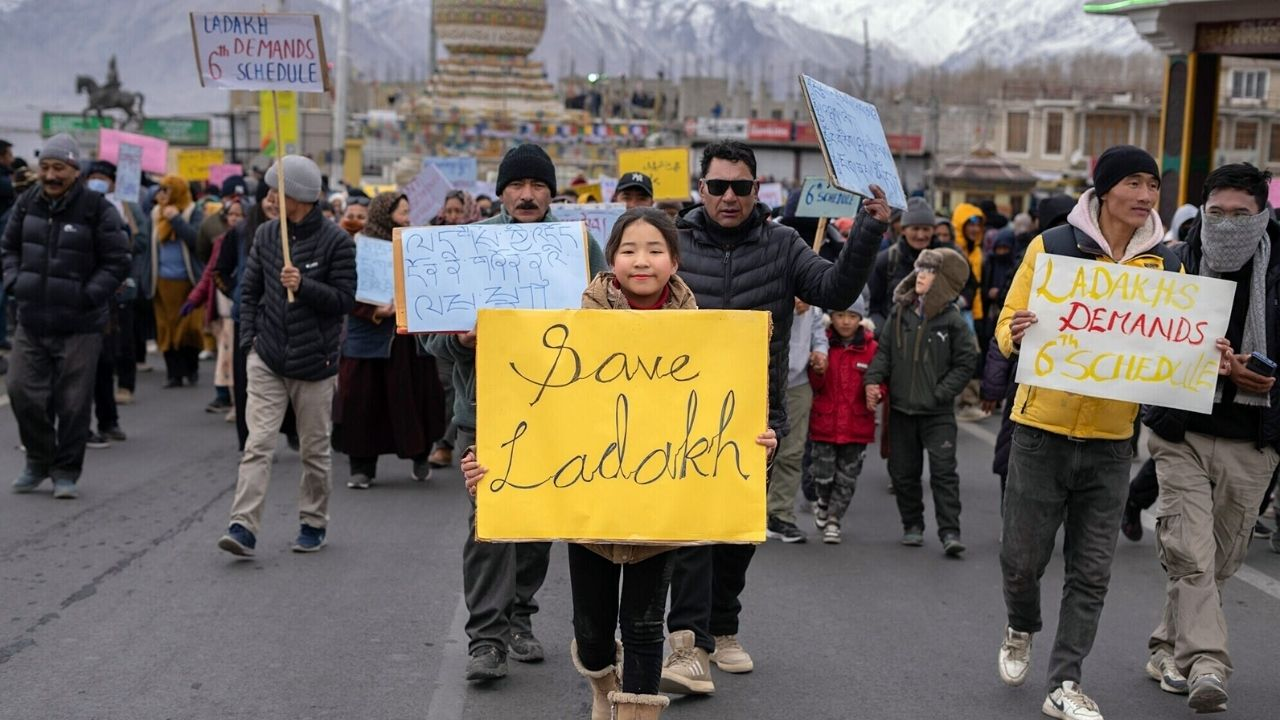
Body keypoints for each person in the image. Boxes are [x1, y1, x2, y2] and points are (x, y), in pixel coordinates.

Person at [461, 207, 777, 719]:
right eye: (629, 250)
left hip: (661, 515)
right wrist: (490, 461)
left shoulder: (708, 336)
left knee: (644, 627)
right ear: (611, 261)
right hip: (590, 518)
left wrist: (756, 442)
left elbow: (726, 417)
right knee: (591, 635)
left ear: (674, 261)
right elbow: (531, 408)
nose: (642, 261)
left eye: (655, 250)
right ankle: (603, 683)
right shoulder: (569, 327)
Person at [659, 140, 889, 696]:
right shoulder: (673, 242)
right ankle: (687, 645)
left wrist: (867, 229)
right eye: (718, 186)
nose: (729, 197)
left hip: (755, 418)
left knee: (738, 533)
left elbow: (835, 288)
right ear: (700, 189)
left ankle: (723, 628)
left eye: (740, 187)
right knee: (693, 531)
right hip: (681, 417)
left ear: (756, 189)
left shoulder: (783, 244)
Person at [994, 145, 1182, 720]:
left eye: (1153, 185)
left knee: (1092, 572)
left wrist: (1205, 354)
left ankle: (1065, 683)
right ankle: (1021, 625)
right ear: (1104, 189)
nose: (1146, 195)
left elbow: (1176, 344)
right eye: (1133, 183)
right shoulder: (1052, 247)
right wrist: (1016, 333)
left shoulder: (1167, 266)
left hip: (1112, 442)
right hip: (1039, 432)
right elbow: (1005, 323)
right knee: (1021, 562)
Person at [423, 143, 608, 683]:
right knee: (490, 524)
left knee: (535, 523)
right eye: (517, 186)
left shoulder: (579, 246)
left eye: (538, 186)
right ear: (501, 191)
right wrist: (460, 340)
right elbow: (431, 338)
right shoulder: (470, 244)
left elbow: (609, 321)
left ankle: (520, 616)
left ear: (552, 192)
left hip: (555, 411)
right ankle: (486, 639)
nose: (527, 195)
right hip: (484, 412)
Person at [1140, 163, 1280, 714]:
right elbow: (1139, 339)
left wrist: (1262, 375)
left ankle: (1167, 647)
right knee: (1190, 553)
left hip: (1255, 439)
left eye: (1240, 214)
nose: (1226, 223)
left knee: (1218, 561)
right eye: (1216, 212)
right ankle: (1207, 665)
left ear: (1263, 213)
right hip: (1183, 433)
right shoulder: (1172, 262)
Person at [216, 155, 355, 557]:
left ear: (298, 194)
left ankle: (313, 521)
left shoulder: (337, 241)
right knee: (258, 444)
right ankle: (242, 526)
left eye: (277, 190)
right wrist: (251, 344)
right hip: (268, 357)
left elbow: (344, 300)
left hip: (315, 364)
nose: (270, 198)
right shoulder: (265, 235)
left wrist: (304, 284)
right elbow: (249, 292)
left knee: (314, 450)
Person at [4, 134, 130, 498]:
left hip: (80, 325)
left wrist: (86, 296)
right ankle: (39, 460)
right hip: (31, 319)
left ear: (75, 171)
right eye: (44, 167)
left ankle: (66, 471)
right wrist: (15, 281)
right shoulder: (27, 203)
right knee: (21, 391)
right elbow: (8, 247)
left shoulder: (96, 208)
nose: (50, 175)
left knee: (73, 403)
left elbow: (117, 260)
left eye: (58, 168)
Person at [864, 247, 977, 553]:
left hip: (937, 414)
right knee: (903, 473)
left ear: (943, 280)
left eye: (929, 272)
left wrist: (941, 393)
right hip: (901, 410)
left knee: (943, 473)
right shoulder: (900, 313)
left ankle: (950, 532)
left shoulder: (952, 320)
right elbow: (884, 352)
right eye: (920, 270)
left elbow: (967, 361)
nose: (921, 276)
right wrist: (873, 380)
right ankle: (912, 525)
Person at [332, 192, 446, 488]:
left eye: (408, 211)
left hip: (407, 341)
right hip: (368, 341)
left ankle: (420, 455)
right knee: (362, 402)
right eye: (401, 212)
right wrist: (373, 310)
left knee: (414, 400)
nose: (407, 218)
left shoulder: (415, 244)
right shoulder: (358, 247)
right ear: (385, 214)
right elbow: (346, 289)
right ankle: (362, 467)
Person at [809, 297, 877, 544]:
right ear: (832, 318)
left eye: (852, 316)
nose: (846, 321)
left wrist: (876, 392)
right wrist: (818, 370)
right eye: (840, 315)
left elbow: (879, 379)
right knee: (823, 474)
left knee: (847, 479)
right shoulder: (823, 343)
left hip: (857, 425)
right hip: (825, 423)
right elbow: (814, 384)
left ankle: (834, 520)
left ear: (861, 319)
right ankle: (823, 501)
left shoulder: (871, 347)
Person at [82, 161, 137, 447]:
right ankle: (77, 427)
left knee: (103, 363)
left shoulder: (113, 210)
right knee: (74, 371)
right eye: (92, 177)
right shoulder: (72, 208)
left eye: (101, 178)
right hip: (71, 299)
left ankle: (108, 421)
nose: (96, 182)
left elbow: (124, 250)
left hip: (102, 300)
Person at [764, 296, 827, 543]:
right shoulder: (768, 287)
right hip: (762, 379)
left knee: (791, 452)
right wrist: (786, 302)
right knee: (752, 449)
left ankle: (780, 515)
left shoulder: (813, 301)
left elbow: (818, 330)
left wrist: (820, 353)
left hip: (797, 383)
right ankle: (748, 512)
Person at [184, 197, 245, 414]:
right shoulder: (221, 241)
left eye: (239, 214)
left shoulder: (254, 237)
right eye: (231, 214)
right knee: (225, 353)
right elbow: (212, 272)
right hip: (224, 306)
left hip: (245, 307)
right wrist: (194, 298)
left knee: (237, 356)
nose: (235, 218)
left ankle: (238, 402)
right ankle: (225, 396)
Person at [867, 196, 958, 330]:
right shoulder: (886, 260)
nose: (920, 235)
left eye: (926, 229)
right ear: (903, 230)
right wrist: (884, 331)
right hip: (895, 334)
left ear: (933, 230)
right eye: (915, 229)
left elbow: (959, 291)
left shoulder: (946, 259)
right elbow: (873, 306)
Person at [149, 175, 205, 388]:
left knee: (189, 328)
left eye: (167, 190)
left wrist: (176, 220)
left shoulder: (192, 211)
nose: (162, 194)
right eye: (161, 190)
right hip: (163, 281)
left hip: (188, 281)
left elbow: (197, 241)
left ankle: (191, 368)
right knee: (166, 328)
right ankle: (174, 374)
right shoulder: (156, 213)